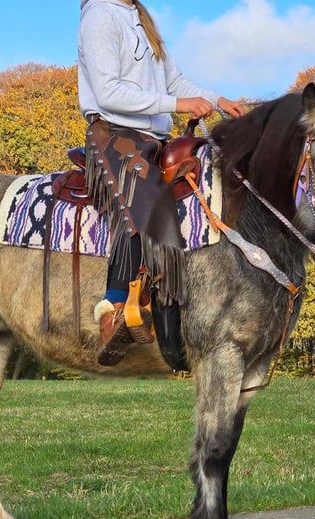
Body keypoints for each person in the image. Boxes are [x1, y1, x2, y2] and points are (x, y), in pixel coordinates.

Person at [78, 0, 243, 366]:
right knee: (147, 197)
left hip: (153, 139)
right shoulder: (100, 14)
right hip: (115, 135)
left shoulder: (141, 18)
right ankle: (115, 308)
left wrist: (216, 100)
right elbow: (107, 92)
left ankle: (186, 316)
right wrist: (180, 104)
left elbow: (174, 80)